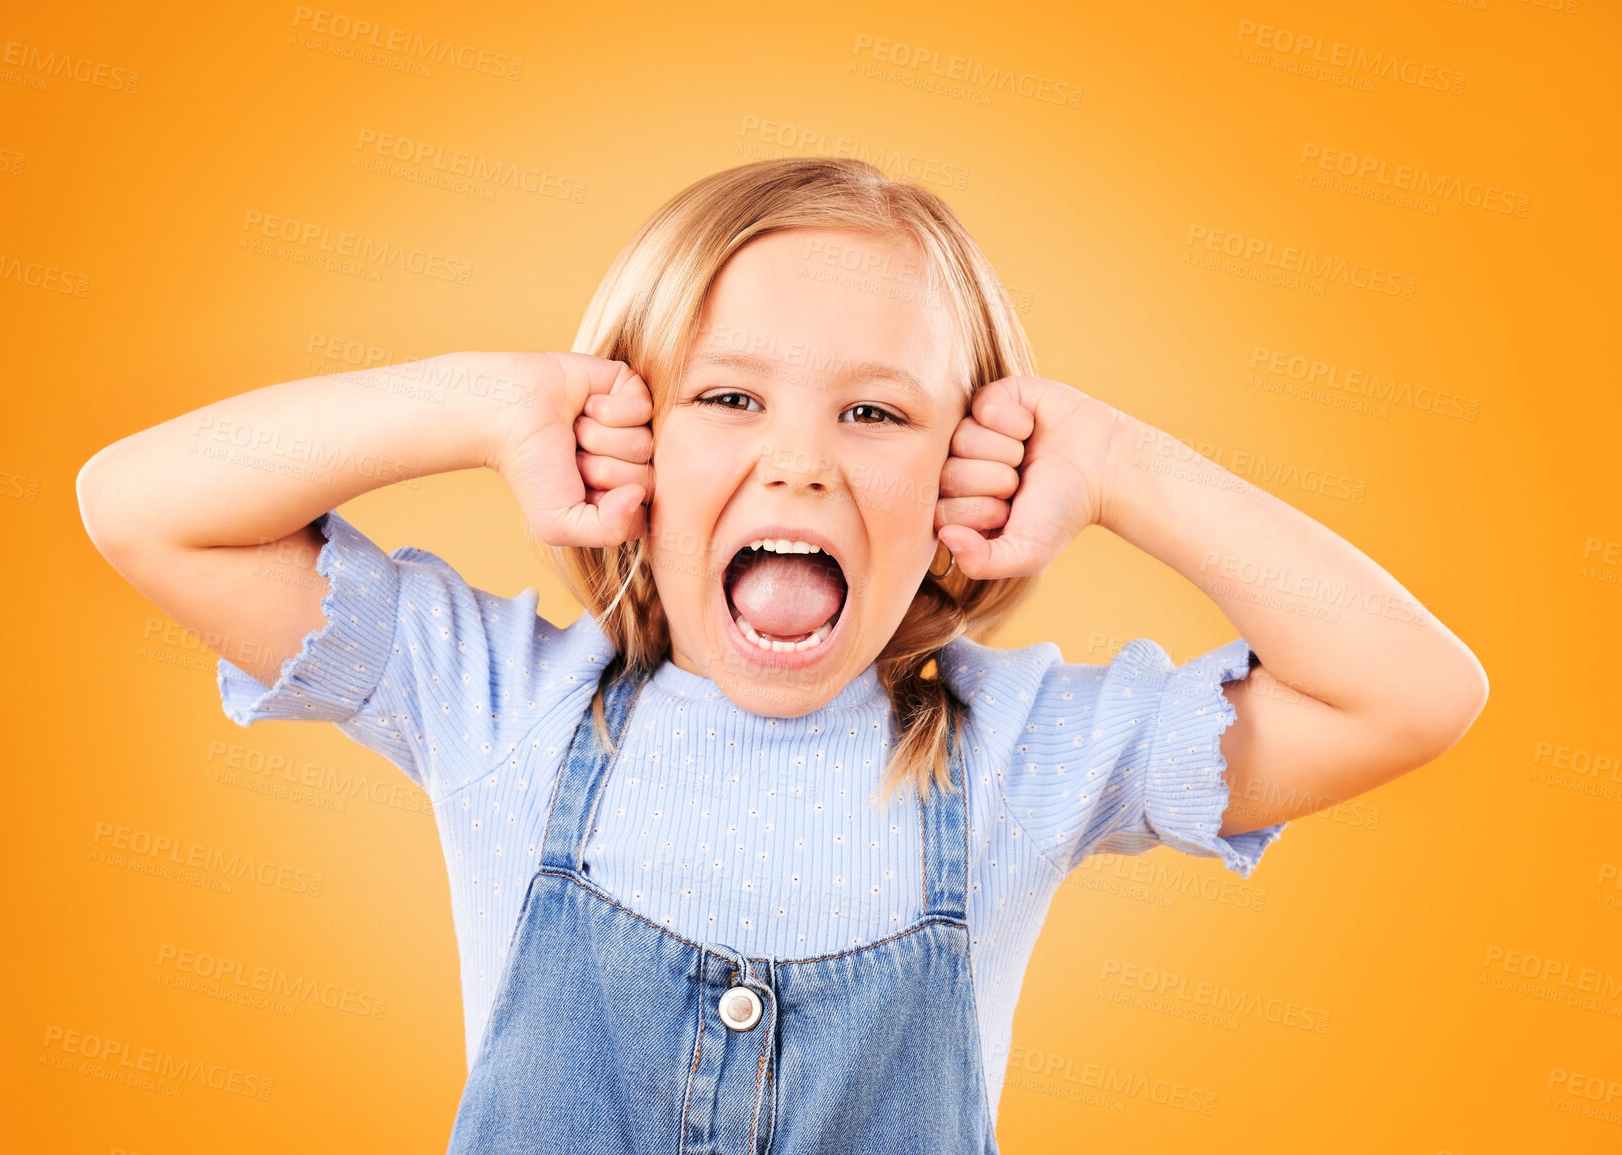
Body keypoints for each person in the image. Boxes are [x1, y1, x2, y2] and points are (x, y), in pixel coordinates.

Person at [76, 157, 1487, 1153]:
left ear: (971, 480)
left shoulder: (1028, 756)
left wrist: (1118, 465)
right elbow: (143, 510)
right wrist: (486, 401)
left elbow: (1416, 692)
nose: (801, 465)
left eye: (876, 415)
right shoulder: (499, 704)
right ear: (626, 437)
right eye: (729, 395)